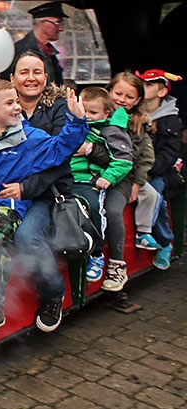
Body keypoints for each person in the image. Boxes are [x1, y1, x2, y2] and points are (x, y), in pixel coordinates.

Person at [0, 78, 88, 332]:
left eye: (17, 102)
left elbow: (61, 148)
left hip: (9, 205)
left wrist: (77, 122)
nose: (17, 108)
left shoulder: (29, 137)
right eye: (9, 103)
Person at [0, 51, 72, 333]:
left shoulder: (58, 108)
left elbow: (59, 158)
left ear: (46, 77)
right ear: (12, 78)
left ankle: (54, 293)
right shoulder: (0, 104)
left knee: (27, 237)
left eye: (37, 72)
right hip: (5, 189)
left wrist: (26, 188)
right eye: (24, 72)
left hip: (45, 192)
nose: (31, 78)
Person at [86, 71, 155, 290]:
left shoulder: (136, 124)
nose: (121, 100)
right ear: (109, 90)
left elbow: (134, 158)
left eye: (128, 96)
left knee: (112, 210)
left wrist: (137, 182)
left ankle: (117, 264)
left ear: (137, 101)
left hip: (122, 178)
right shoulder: (94, 113)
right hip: (95, 174)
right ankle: (91, 256)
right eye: (118, 93)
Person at [70, 87, 133, 286]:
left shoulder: (111, 132)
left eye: (93, 113)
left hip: (92, 180)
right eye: (84, 111)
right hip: (69, 179)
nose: (88, 117)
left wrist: (107, 177)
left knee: (97, 209)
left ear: (106, 113)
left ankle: (98, 253)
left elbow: (123, 160)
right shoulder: (73, 125)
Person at [136, 69, 184, 269]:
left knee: (155, 193)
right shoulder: (133, 112)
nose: (143, 88)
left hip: (162, 171)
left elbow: (170, 153)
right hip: (135, 168)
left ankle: (165, 241)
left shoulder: (170, 119)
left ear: (162, 92)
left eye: (148, 85)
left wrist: (148, 169)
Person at [0, 2, 68, 86]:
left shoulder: (49, 52)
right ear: (42, 22)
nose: (61, 28)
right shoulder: (18, 51)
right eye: (57, 23)